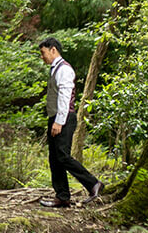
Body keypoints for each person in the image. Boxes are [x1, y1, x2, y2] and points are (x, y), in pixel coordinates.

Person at [37, 36, 101, 207]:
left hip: (64, 118)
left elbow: (65, 98)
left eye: (43, 53)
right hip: (55, 118)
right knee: (54, 158)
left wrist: (59, 122)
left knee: (63, 157)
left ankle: (93, 183)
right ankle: (62, 196)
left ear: (53, 50)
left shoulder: (64, 70)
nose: (42, 57)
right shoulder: (54, 69)